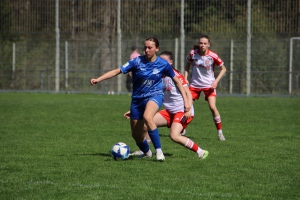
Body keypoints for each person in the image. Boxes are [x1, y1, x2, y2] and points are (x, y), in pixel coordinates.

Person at [90, 37, 191, 161]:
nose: (146, 50)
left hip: (155, 95)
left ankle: (159, 152)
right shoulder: (136, 61)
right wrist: (98, 79)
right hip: (137, 100)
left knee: (148, 117)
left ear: (157, 49)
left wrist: (186, 101)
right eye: (145, 47)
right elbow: (117, 71)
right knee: (136, 134)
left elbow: (178, 82)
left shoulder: (163, 64)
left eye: (150, 48)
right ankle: (147, 152)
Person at [125, 51, 209, 159]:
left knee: (174, 136)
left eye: (165, 61)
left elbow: (188, 92)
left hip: (182, 110)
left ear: (171, 62)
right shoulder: (157, 74)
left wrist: (188, 107)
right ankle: (145, 151)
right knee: (146, 124)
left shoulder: (175, 75)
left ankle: (201, 151)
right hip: (169, 111)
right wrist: (137, 110)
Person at [184, 35, 226, 141]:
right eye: (200, 43)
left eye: (204, 43)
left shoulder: (213, 56)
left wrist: (216, 81)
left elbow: (223, 69)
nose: (202, 45)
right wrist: (185, 79)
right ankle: (183, 128)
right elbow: (187, 65)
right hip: (194, 85)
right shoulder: (193, 53)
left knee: (212, 107)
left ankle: (220, 133)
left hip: (209, 85)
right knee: (187, 106)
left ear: (208, 45)